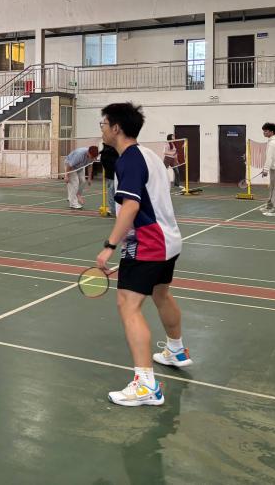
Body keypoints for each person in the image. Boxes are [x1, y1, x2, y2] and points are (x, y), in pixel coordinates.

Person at [96, 102, 189, 408]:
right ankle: (176, 350)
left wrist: (110, 245)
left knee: (128, 304)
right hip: (169, 239)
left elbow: (132, 206)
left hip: (149, 243)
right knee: (161, 293)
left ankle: (146, 385)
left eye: (103, 124)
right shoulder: (149, 155)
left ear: (116, 128)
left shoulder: (129, 161)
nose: (102, 129)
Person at [65, 145, 98, 209]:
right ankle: (73, 204)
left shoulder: (92, 156)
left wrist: (89, 178)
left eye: (94, 157)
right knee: (74, 184)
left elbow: (90, 166)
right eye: (92, 157)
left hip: (80, 167)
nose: (92, 158)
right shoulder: (79, 154)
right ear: (88, 152)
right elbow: (69, 165)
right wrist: (66, 176)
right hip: (71, 167)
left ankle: (78, 194)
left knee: (83, 181)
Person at [99, 143, 119, 216]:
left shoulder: (104, 153)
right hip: (117, 175)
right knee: (115, 192)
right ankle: (115, 210)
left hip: (111, 175)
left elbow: (103, 163)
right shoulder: (117, 151)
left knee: (111, 192)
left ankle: (113, 210)